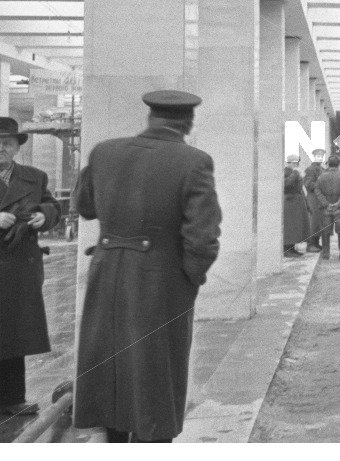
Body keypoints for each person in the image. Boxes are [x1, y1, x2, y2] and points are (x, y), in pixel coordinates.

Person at [73, 90, 222, 443]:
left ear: (150, 117)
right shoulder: (194, 161)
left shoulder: (104, 151)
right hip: (161, 280)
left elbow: (85, 206)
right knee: (156, 371)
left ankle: (113, 437)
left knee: (110, 364)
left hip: (106, 271)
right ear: (188, 122)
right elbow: (202, 236)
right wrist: (190, 278)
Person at [0, 117, 60, 426]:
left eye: (7, 143)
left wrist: (43, 216)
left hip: (21, 266)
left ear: (18, 147)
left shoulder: (35, 177)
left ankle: (11, 399)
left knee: (16, 334)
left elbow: (53, 207)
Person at [315, 155, 340, 260]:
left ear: (328, 164)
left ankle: (326, 253)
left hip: (326, 208)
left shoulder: (321, 177)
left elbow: (317, 191)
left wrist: (326, 203)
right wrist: (338, 203)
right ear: (339, 164)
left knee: (325, 230)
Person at [283, 154, 308, 258]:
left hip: (295, 201)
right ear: (292, 163)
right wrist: (296, 173)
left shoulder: (292, 172)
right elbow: (287, 184)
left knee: (295, 226)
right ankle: (287, 249)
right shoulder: (286, 172)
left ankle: (292, 248)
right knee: (290, 226)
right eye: (296, 163)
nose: (297, 165)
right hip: (289, 201)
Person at [303, 149, 326, 253]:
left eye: (321, 156)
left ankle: (316, 242)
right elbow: (308, 184)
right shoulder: (310, 170)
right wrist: (321, 185)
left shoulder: (322, 169)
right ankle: (310, 244)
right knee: (313, 222)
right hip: (313, 199)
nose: (320, 157)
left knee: (319, 222)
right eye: (318, 156)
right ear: (313, 157)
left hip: (320, 199)